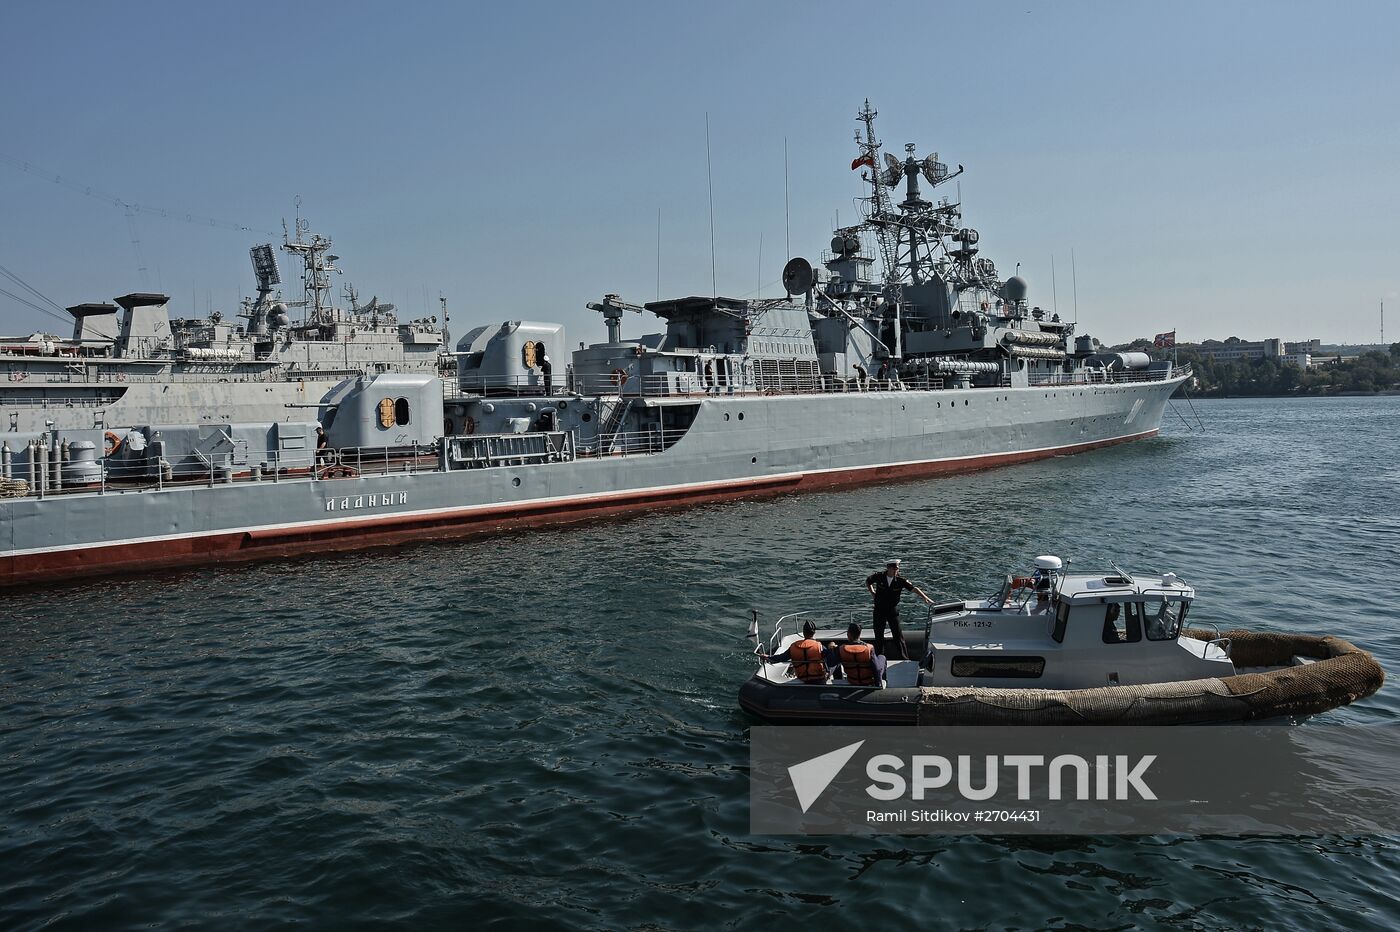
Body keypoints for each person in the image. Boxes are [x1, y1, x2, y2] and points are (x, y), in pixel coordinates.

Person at [865, 559, 933, 661]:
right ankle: (879, 658)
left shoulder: (900, 580)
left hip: (892, 610)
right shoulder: (879, 576)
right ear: (888, 568)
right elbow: (868, 581)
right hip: (879, 610)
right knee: (879, 635)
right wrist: (872, 593)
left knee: (898, 636)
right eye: (894, 568)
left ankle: (904, 658)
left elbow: (913, 588)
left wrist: (924, 597)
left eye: (897, 568)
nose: (896, 570)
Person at [764, 620, 832, 684]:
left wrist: (768, 657)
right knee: (835, 664)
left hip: (802, 678)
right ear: (814, 632)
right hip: (819, 679)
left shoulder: (794, 647)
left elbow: (781, 658)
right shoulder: (819, 647)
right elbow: (831, 659)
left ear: (803, 632)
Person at [832, 621, 885, 686]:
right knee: (882, 657)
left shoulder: (841, 649)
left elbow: (831, 663)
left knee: (837, 661)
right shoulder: (869, 648)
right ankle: (882, 682)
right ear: (859, 634)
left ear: (848, 634)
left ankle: (839, 682)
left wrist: (833, 649)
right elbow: (877, 669)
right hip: (867, 680)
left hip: (852, 680)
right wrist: (877, 684)